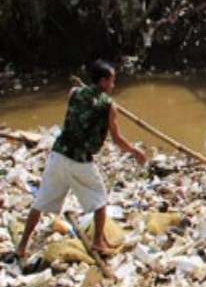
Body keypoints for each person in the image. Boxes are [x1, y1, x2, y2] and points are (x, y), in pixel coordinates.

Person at [16, 60, 147, 262]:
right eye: (112, 81)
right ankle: (97, 242)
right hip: (80, 161)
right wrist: (135, 151)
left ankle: (22, 245)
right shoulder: (110, 106)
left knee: (40, 203)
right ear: (103, 81)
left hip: (58, 154)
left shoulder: (74, 93)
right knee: (100, 200)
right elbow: (117, 139)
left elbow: (82, 108)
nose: (113, 86)